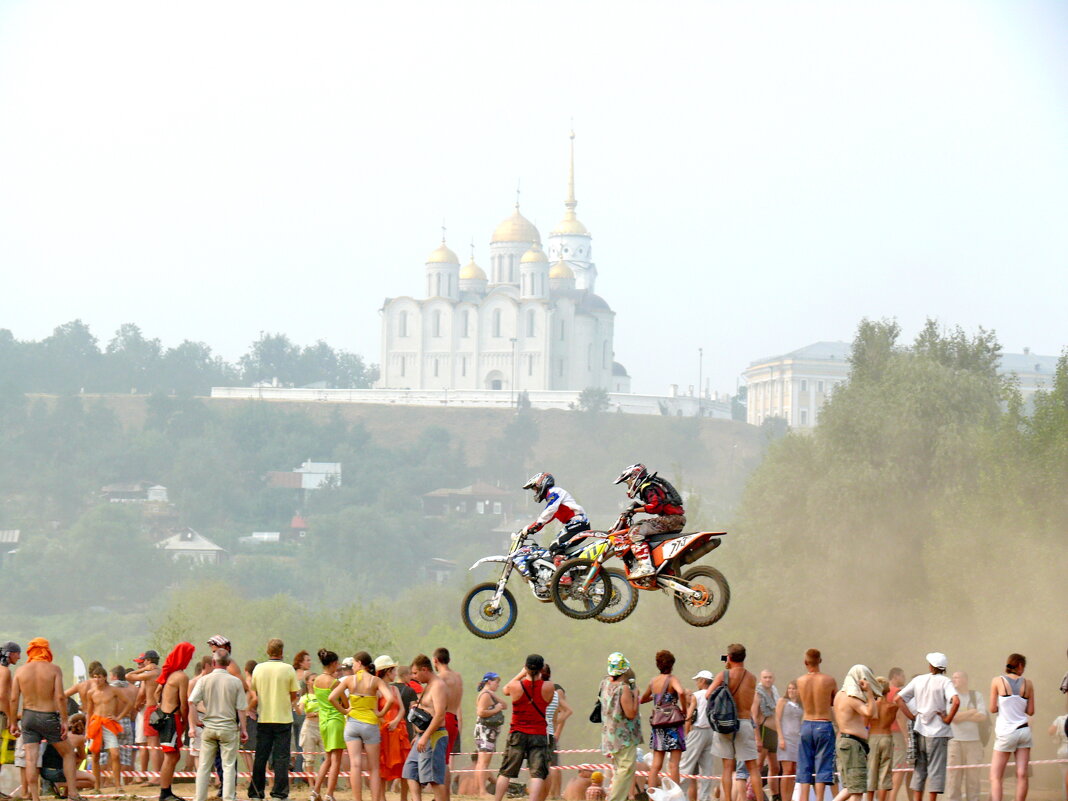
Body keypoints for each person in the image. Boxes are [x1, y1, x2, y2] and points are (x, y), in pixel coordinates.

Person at [7, 638, 82, 801]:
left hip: (27, 717)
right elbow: (60, 697)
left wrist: (13, 722)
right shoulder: (54, 669)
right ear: (46, 651)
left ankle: (34, 798)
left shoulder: (20, 671)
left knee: (30, 759)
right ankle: (73, 794)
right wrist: (64, 720)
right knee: (68, 753)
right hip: (48, 716)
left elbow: (13, 699)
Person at [894, 652, 959, 801]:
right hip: (938, 732)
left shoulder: (919, 680)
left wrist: (912, 717)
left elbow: (898, 698)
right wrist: (948, 719)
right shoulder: (945, 682)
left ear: (930, 666)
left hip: (920, 729)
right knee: (936, 769)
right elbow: (955, 701)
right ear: (943, 668)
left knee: (920, 769)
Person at [330, 651, 393, 801]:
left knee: (355, 765)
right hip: (370, 724)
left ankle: (358, 799)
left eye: (353, 663)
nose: (352, 666)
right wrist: (380, 713)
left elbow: (332, 697)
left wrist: (345, 710)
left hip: (352, 724)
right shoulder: (375, 681)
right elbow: (390, 698)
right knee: (374, 768)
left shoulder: (350, 680)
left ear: (359, 663)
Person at [491, 654, 555, 801]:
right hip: (538, 734)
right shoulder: (549, 687)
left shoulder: (515, 686)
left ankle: (497, 800)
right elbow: (549, 700)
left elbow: (505, 690)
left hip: (517, 733)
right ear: (541, 669)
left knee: (506, 771)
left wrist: (521, 673)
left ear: (526, 667)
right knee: (537, 774)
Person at [189, 649, 247, 801]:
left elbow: (191, 702)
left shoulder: (204, 680)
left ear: (213, 663)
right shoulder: (236, 682)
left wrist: (195, 722)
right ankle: (228, 798)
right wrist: (244, 730)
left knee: (204, 766)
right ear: (228, 663)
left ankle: (199, 798)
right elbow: (241, 708)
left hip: (209, 728)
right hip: (228, 728)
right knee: (228, 766)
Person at [707, 643, 762, 801]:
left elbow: (708, 695)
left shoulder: (723, 675)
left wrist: (726, 667)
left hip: (725, 724)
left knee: (727, 767)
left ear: (729, 657)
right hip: (744, 722)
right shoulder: (751, 678)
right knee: (752, 767)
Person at [248, 638, 300, 801]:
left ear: (267, 651)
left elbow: (254, 692)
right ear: (282, 652)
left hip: (264, 718)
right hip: (283, 718)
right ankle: (279, 793)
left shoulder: (258, 669)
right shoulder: (288, 669)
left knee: (261, 756)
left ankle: (256, 792)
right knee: (282, 757)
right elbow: (294, 694)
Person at [614, 463, 685, 578]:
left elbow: (655, 506)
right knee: (646, 531)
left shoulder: (647, 487)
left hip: (671, 519)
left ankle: (646, 566)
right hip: (676, 519)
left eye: (628, 482)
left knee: (635, 531)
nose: (629, 486)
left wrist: (636, 510)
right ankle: (659, 564)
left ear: (634, 478)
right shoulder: (654, 484)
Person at [518, 472, 591, 569]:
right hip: (574, 525)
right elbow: (547, 519)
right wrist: (533, 529)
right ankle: (573, 570)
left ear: (542, 483)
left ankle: (564, 576)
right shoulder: (554, 500)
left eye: (535, 488)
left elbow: (549, 511)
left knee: (555, 546)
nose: (535, 492)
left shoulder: (554, 492)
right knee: (558, 548)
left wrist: (531, 527)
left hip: (577, 523)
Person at [402, 654, 449, 801]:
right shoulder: (428, 686)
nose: (414, 677)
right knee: (410, 771)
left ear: (425, 669)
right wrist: (418, 736)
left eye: (415, 673)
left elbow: (440, 715)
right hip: (423, 736)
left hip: (434, 736)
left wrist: (426, 736)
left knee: (434, 778)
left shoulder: (438, 686)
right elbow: (429, 712)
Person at [831, 665, 880, 801]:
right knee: (857, 791)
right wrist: (869, 692)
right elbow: (870, 713)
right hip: (852, 745)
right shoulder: (851, 698)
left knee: (851, 787)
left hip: (846, 743)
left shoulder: (839, 696)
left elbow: (874, 714)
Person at [988, 653, 1034, 801]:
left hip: (1006, 732)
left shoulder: (997, 681)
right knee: (1022, 774)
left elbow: (993, 709)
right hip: (1024, 730)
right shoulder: (1028, 684)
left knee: (995, 776)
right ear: (1020, 665)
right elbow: (1031, 711)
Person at [597, 653, 642, 801]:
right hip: (624, 735)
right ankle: (615, 798)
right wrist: (636, 696)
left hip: (609, 733)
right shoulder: (624, 689)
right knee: (625, 769)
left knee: (618, 769)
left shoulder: (604, 683)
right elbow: (630, 713)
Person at [640, 650, 687, 790]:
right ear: (671, 665)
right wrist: (684, 709)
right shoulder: (672, 679)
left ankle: (652, 795)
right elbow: (681, 692)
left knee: (656, 764)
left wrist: (655, 698)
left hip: (658, 723)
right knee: (673, 764)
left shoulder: (653, 681)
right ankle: (675, 796)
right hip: (673, 723)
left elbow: (642, 699)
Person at [796, 648, 838, 801]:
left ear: (805, 662)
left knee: (804, 767)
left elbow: (801, 701)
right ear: (820, 661)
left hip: (806, 724)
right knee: (822, 767)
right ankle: (819, 799)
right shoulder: (829, 680)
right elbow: (834, 702)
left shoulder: (800, 681)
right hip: (823, 723)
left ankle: (804, 798)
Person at [155, 641, 194, 801]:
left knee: (174, 756)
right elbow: (184, 703)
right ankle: (164, 793)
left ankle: (167, 791)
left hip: (166, 718)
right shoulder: (181, 677)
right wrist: (186, 723)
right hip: (172, 719)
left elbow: (157, 697)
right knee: (171, 757)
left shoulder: (169, 675)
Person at [84, 664, 126, 793]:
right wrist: (87, 730)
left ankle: (118, 785)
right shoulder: (91, 692)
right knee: (95, 756)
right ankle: (97, 787)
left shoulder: (113, 690)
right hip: (96, 723)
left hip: (108, 723)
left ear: (105, 677)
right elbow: (89, 712)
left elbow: (129, 702)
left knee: (115, 754)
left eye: (99, 677)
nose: (97, 680)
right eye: (95, 677)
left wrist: (118, 717)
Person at [311, 650, 346, 801]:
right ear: (332, 664)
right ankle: (329, 793)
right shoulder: (334, 682)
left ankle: (315, 791)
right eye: (337, 664)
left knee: (328, 758)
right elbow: (345, 702)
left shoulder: (316, 680)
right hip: (335, 720)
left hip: (323, 721)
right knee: (336, 759)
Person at [375, 655, 410, 801]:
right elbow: (375, 711)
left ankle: (404, 798)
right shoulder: (376, 690)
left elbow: (402, 709)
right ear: (387, 671)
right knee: (383, 766)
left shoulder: (395, 689)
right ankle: (382, 797)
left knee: (405, 766)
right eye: (393, 670)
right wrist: (386, 723)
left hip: (399, 729)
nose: (395, 673)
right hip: (384, 731)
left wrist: (396, 721)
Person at [946, 672, 986, 801]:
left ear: (965, 679)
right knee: (954, 777)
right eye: (953, 678)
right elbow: (953, 718)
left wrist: (962, 715)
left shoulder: (976, 696)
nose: (953, 680)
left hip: (974, 742)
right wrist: (971, 712)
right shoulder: (951, 696)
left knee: (973, 778)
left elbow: (982, 717)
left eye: (957, 677)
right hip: (955, 742)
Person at [680, 670, 717, 801]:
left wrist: (686, 734)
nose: (696, 683)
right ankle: (705, 797)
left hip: (697, 731)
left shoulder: (697, 695)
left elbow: (689, 716)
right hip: (711, 732)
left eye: (697, 680)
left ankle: (680, 796)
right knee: (707, 769)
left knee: (686, 765)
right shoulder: (715, 694)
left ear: (702, 680)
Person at [126, 649, 163, 779]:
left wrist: (143, 670)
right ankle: (158, 774)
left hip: (151, 708)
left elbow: (128, 676)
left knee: (152, 744)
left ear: (148, 661)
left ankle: (155, 776)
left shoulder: (150, 674)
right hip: (162, 708)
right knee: (158, 743)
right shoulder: (162, 672)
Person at [433, 647, 463, 800]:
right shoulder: (458, 677)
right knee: (445, 761)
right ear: (449, 660)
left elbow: (436, 703)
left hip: (444, 719)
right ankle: (446, 796)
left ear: (435, 661)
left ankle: (443, 797)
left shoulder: (440, 678)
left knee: (441, 762)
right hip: (454, 719)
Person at [542, 663, 573, 800]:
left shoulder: (556, 690)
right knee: (546, 764)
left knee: (553, 764)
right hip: (540, 732)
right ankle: (549, 793)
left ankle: (555, 794)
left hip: (550, 732)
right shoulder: (537, 688)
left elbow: (563, 711)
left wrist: (557, 730)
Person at [474, 673, 506, 798]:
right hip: (485, 731)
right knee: (483, 762)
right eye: (496, 682)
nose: (498, 685)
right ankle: (482, 791)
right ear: (489, 682)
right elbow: (481, 712)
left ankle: (480, 789)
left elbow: (505, 705)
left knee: (483, 761)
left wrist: (495, 696)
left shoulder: (489, 694)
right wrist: (496, 709)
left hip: (488, 732)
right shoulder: (485, 695)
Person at [867, 678, 897, 801]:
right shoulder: (893, 707)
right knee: (885, 772)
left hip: (873, 737)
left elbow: (865, 722)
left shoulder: (871, 706)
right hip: (886, 737)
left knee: (871, 771)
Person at [755, 670, 781, 801]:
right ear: (761, 678)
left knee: (774, 767)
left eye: (770, 677)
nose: (768, 680)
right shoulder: (758, 694)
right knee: (758, 765)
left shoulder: (774, 691)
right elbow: (754, 717)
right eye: (765, 677)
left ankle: (775, 795)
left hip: (774, 733)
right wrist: (757, 738)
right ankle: (753, 792)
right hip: (763, 730)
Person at [776, 680, 803, 801]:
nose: (791, 691)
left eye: (794, 689)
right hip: (785, 738)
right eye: (789, 688)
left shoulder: (800, 705)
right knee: (786, 771)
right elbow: (777, 719)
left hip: (797, 739)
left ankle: (790, 797)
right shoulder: (783, 701)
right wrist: (781, 737)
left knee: (793, 771)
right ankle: (784, 798)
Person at [886, 668, 910, 801]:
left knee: (886, 768)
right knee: (899, 768)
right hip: (896, 733)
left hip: (882, 734)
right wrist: (906, 736)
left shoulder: (881, 692)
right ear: (895, 676)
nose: (904, 678)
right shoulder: (897, 693)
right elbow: (900, 717)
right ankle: (892, 798)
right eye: (902, 675)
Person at [292, 650, 312, 783]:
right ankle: (300, 777)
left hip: (291, 710)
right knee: (302, 745)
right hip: (302, 710)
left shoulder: (292, 674)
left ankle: (293, 776)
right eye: (308, 660)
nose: (310, 663)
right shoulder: (307, 675)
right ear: (301, 662)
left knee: (293, 746)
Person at [298, 673, 323, 777]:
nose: (315, 682)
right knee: (309, 758)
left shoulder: (322, 695)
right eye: (313, 680)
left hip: (322, 726)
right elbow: (300, 711)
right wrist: (295, 704)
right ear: (308, 682)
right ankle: (312, 784)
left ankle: (324, 781)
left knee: (328, 754)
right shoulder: (305, 697)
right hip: (309, 727)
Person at [0, 643, 21, 742]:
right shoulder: (5, 671)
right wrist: (10, 718)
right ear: (10, 654)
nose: (19, 657)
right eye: (18, 653)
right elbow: (2, 696)